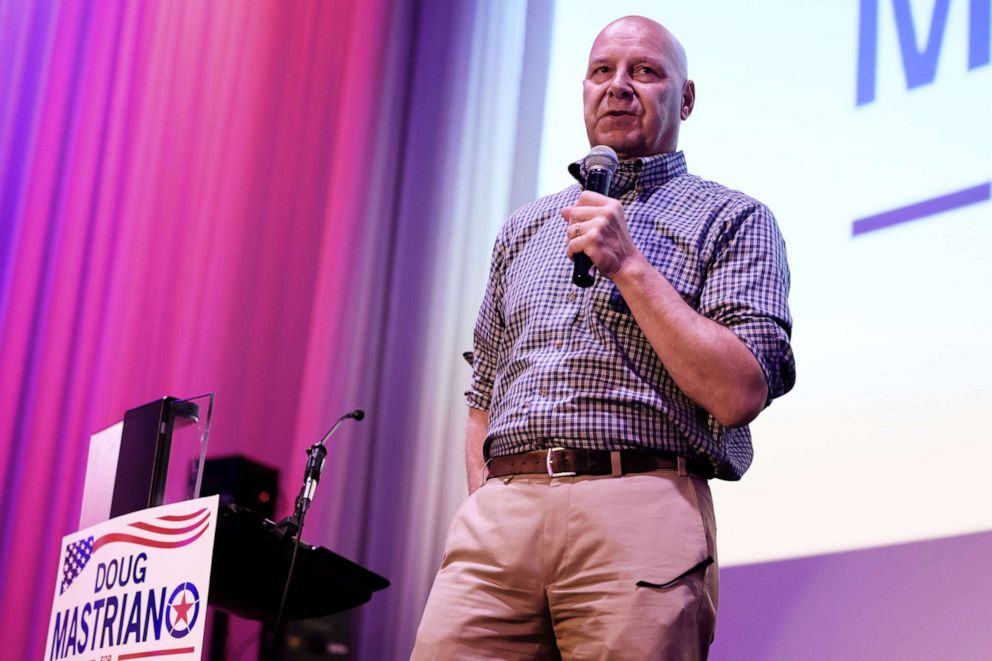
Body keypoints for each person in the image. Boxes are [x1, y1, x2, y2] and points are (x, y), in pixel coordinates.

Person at [412, 15, 795, 660]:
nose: (618, 86)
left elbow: (739, 393)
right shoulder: (526, 226)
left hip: (639, 504)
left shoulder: (733, 218)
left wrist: (629, 265)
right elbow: (485, 394)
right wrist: (487, 504)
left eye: (644, 71)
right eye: (601, 71)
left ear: (686, 98)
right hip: (501, 517)